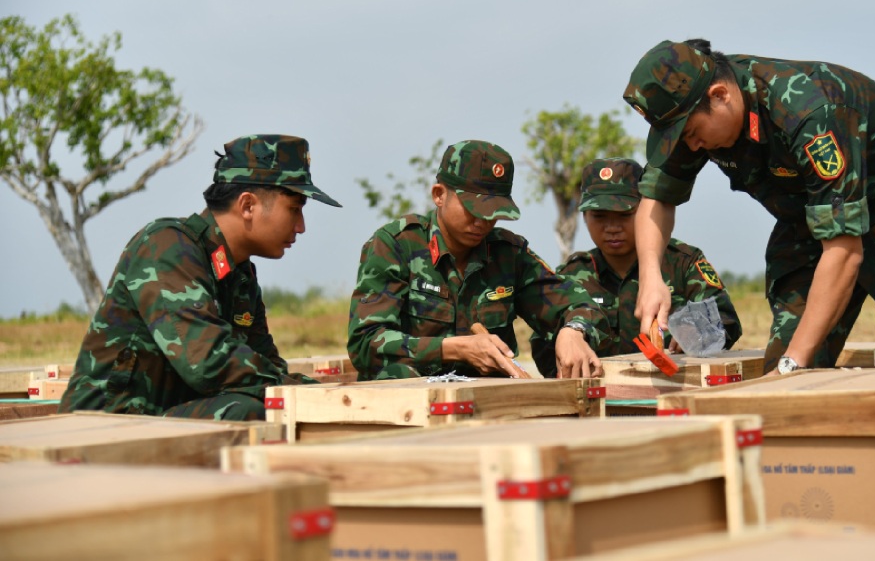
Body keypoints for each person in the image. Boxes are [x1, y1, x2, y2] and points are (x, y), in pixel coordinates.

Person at [622, 39, 875, 374]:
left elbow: (845, 250)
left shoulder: (807, 112)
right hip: (813, 212)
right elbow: (657, 197)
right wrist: (652, 276)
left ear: (720, 95)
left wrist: (791, 366)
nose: (691, 146)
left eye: (691, 133)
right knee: (788, 356)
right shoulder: (692, 112)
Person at [58, 134, 341, 419]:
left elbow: (265, 366)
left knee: (273, 406)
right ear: (247, 206)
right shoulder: (166, 246)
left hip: (157, 423)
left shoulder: (240, 275)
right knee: (252, 411)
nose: (301, 226)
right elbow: (206, 363)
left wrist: (319, 396)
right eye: (294, 209)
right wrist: (308, 394)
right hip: (102, 426)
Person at [348, 139, 609, 380]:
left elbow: (581, 304)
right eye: (473, 208)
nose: (482, 222)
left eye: (493, 212)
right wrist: (454, 349)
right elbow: (365, 343)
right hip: (410, 408)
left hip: (490, 410)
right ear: (439, 194)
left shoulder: (508, 254)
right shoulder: (396, 246)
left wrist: (573, 330)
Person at [530, 157, 742, 377]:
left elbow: (727, 320)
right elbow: (542, 343)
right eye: (599, 216)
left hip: (674, 392)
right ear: (584, 217)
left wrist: (696, 331)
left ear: (644, 213)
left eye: (624, 215)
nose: (612, 227)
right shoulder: (571, 274)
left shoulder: (682, 262)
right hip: (597, 399)